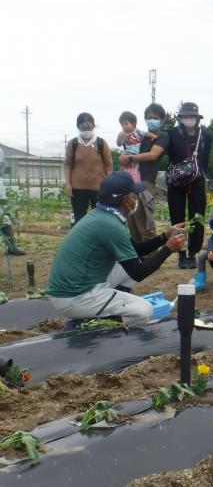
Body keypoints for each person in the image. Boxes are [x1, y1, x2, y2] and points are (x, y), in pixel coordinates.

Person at [45, 172, 185, 326]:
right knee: (144, 312)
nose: (136, 199)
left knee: (129, 262)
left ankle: (110, 305)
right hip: (75, 297)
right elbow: (138, 273)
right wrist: (168, 249)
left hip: (72, 289)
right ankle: (88, 323)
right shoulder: (111, 225)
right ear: (126, 200)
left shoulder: (103, 215)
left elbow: (135, 250)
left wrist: (164, 237)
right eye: (134, 195)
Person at [167, 102, 212, 269]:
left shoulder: (206, 135)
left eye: (191, 116)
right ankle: (180, 254)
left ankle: (192, 252)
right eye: (185, 116)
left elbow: (205, 160)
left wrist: (198, 174)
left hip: (197, 182)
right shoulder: (172, 134)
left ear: (197, 118)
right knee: (177, 217)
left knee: (197, 217)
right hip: (176, 182)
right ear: (180, 118)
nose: (188, 119)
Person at [119, 103, 170, 243]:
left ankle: (151, 254)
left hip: (146, 182)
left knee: (144, 220)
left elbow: (153, 155)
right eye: (148, 117)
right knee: (131, 218)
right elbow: (125, 147)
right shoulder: (139, 136)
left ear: (162, 119)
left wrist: (129, 158)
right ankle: (139, 255)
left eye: (154, 117)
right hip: (130, 180)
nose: (151, 120)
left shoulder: (162, 136)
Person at [64, 112, 113, 224]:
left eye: (88, 126)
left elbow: (108, 166)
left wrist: (109, 185)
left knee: (100, 219)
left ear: (93, 126)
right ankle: (80, 240)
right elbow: (67, 164)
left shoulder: (101, 143)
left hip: (98, 189)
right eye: (83, 126)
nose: (86, 129)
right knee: (79, 219)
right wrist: (68, 183)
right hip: (77, 189)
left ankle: (97, 240)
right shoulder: (73, 143)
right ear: (78, 127)